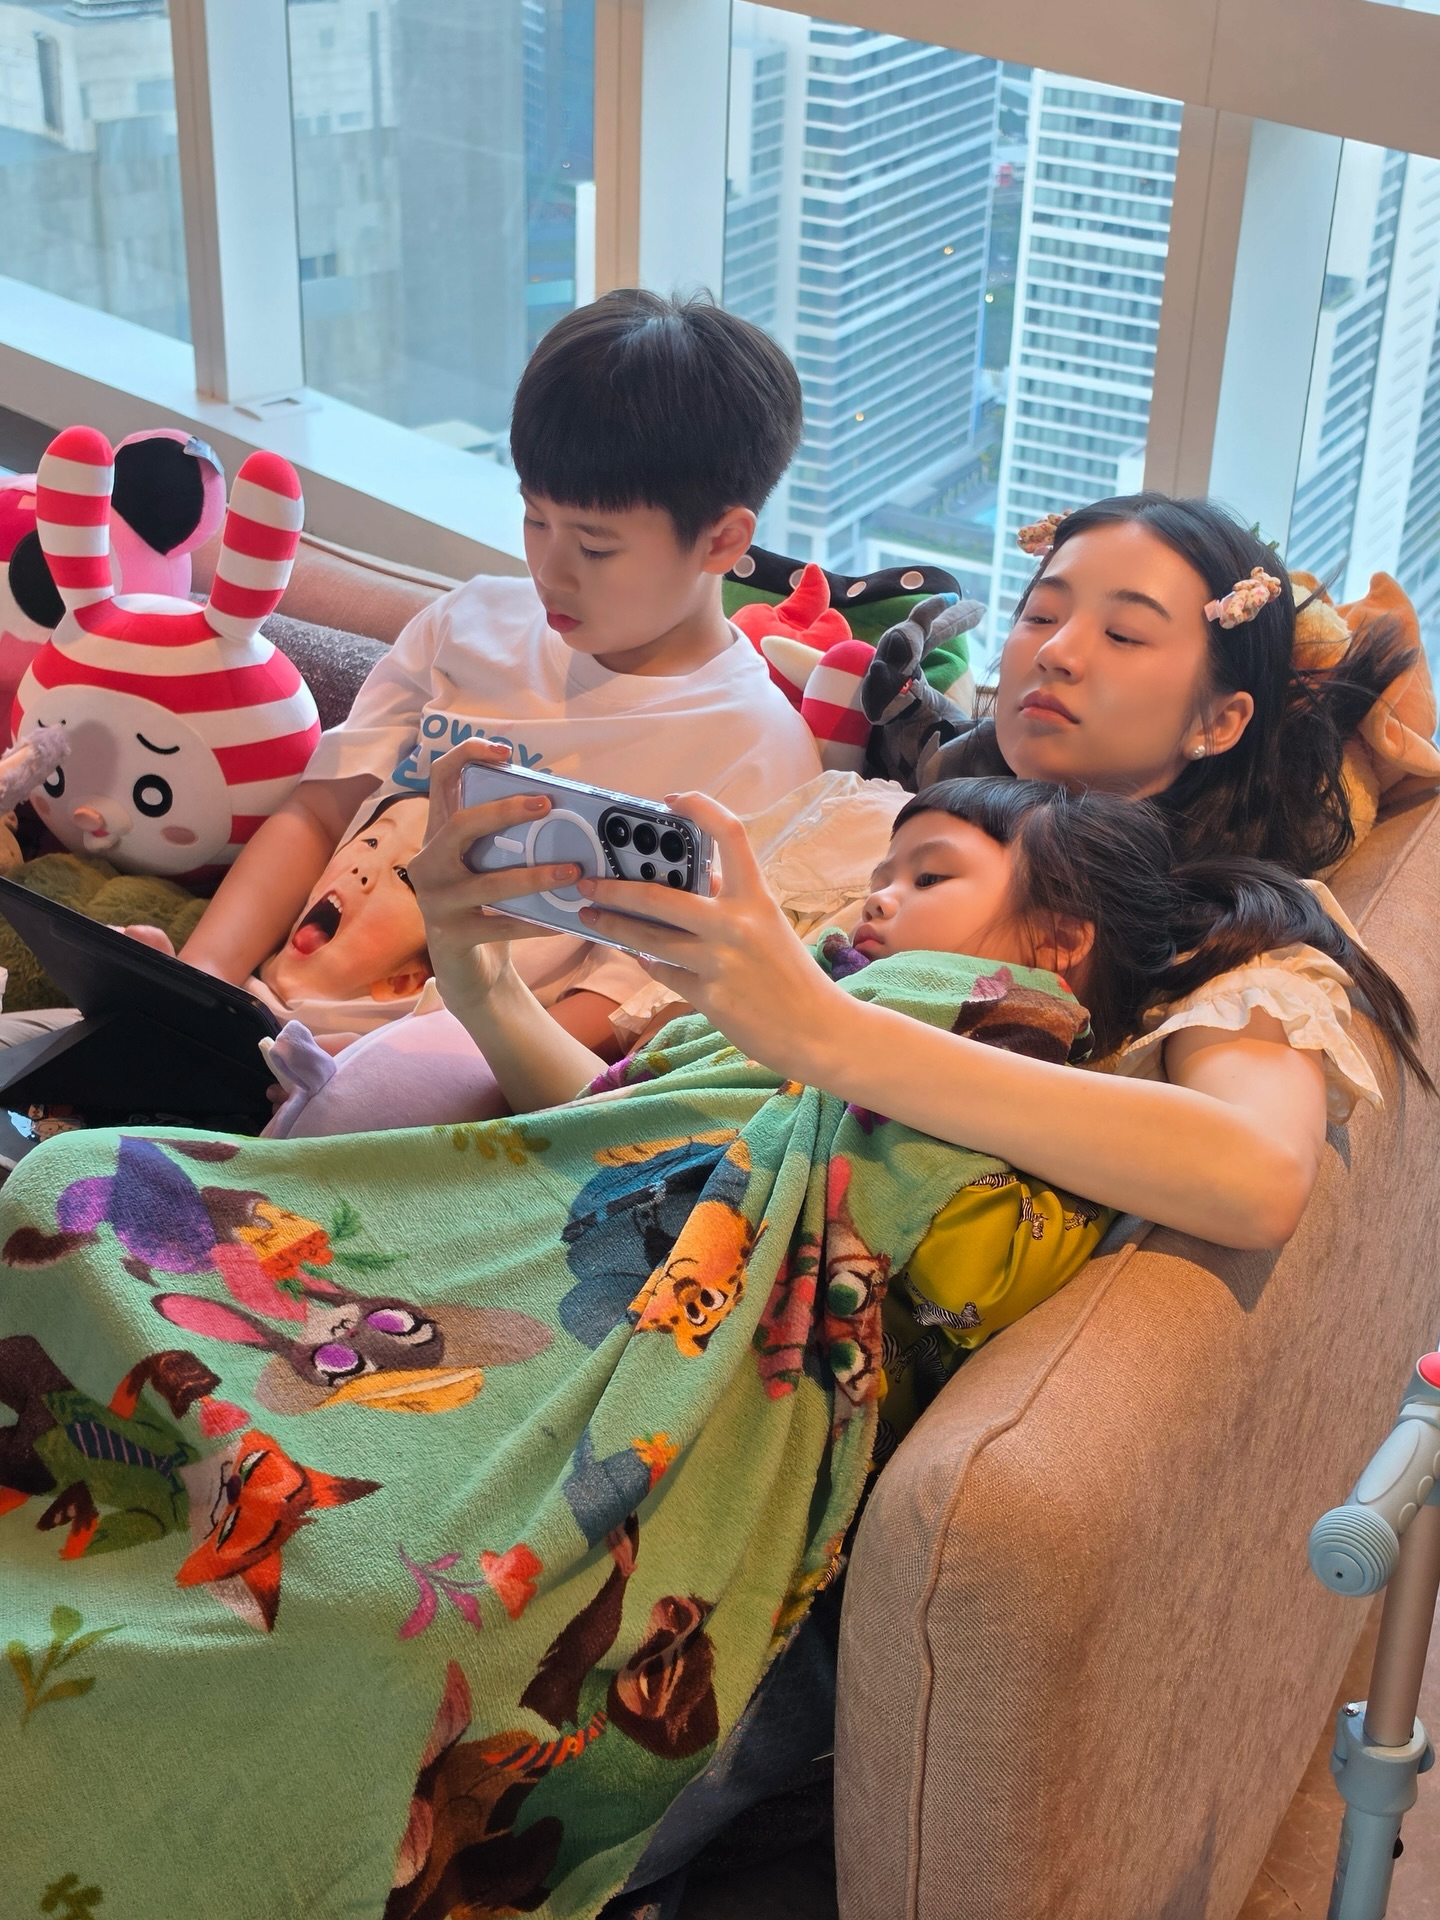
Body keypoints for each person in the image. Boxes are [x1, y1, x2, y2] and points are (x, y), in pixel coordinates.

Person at [561, 494, 1434, 1252]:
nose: (1057, 653)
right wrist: (492, 981)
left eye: (1124, 634)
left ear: (1220, 720)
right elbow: (627, 1113)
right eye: (1041, 616)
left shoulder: (1227, 936)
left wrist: (824, 1031)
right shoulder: (858, 819)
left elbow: (1259, 1178)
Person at [169, 289, 822, 1053]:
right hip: (254, 1024)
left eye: (595, 546)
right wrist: (194, 984)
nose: (549, 570)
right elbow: (319, 813)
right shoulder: (466, 623)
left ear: (721, 541)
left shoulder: (756, 752)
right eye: (535, 518)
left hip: (448, 1082)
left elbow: (618, 1009)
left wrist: (381, 1082)